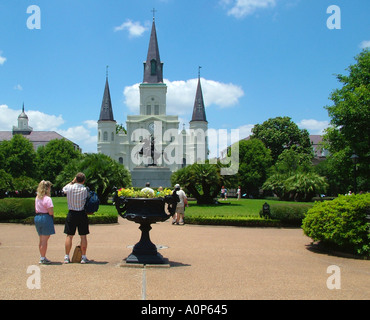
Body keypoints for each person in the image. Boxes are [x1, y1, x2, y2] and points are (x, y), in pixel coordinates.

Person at [62, 172, 89, 264]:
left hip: (72, 213)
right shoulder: (84, 189)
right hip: (81, 213)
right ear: (84, 180)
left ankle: (66, 256)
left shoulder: (69, 188)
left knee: (69, 235)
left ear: (76, 179)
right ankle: (83, 257)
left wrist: (72, 182)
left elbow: (63, 189)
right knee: (83, 236)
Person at [34, 180, 55, 264]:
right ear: (47, 188)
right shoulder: (48, 199)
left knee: (41, 239)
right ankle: (42, 257)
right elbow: (50, 211)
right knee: (44, 240)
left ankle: (42, 255)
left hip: (38, 217)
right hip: (45, 217)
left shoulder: (37, 197)